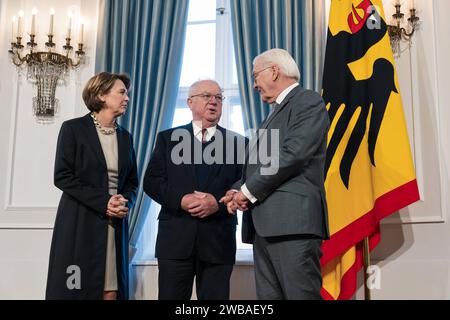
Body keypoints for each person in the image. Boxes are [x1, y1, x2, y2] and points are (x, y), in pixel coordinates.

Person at [220, 48, 330, 300]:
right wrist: (239, 189)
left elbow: (293, 155)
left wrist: (247, 192)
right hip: (265, 228)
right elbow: (259, 164)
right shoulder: (273, 114)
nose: (254, 84)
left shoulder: (307, 101)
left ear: (274, 71)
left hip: (293, 226)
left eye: (255, 75)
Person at [143, 79, 245, 300]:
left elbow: (243, 185)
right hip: (175, 242)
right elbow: (151, 181)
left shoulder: (240, 143)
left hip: (218, 241)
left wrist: (216, 204)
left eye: (219, 97)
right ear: (190, 102)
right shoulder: (168, 139)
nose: (214, 102)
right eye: (207, 96)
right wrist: (180, 200)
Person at [46, 72, 138, 300]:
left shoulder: (126, 137)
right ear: (101, 95)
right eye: (121, 92)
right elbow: (62, 176)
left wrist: (124, 202)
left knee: (111, 291)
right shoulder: (73, 129)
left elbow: (133, 182)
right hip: (81, 220)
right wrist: (104, 201)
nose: (127, 98)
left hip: (115, 224)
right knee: (76, 289)